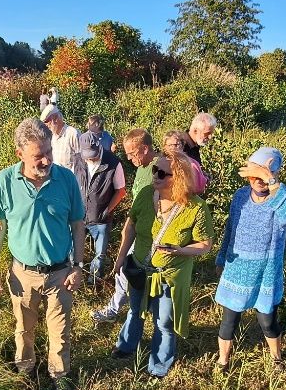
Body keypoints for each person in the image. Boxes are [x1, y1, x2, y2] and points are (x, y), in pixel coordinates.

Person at [0, 118, 86, 390]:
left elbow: (78, 224)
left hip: (60, 272)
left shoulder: (65, 179)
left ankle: (60, 377)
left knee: (60, 332)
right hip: (22, 274)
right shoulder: (5, 181)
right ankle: (26, 370)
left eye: (48, 152)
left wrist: (78, 266)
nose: (45, 160)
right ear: (19, 154)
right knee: (24, 328)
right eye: (37, 156)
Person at [111, 151, 214, 377]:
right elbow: (130, 226)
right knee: (135, 311)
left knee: (164, 322)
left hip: (169, 275)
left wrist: (181, 250)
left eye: (162, 173)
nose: (154, 175)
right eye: (154, 170)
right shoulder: (147, 194)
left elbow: (206, 244)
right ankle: (126, 346)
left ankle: (159, 364)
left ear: (178, 178)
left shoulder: (195, 208)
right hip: (139, 268)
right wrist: (120, 257)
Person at [214, 147, 286, 370]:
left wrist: (269, 179)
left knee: (267, 321)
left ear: (276, 174)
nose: (258, 180)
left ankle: (277, 360)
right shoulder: (240, 195)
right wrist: (221, 257)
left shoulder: (284, 196)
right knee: (229, 321)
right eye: (254, 175)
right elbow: (230, 228)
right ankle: (223, 361)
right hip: (237, 268)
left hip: (266, 271)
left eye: (263, 175)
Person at [91, 128, 160, 323]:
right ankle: (132, 308)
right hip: (136, 228)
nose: (129, 158)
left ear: (145, 149)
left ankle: (118, 310)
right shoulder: (142, 167)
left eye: (132, 153)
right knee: (125, 271)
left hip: (148, 233)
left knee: (124, 270)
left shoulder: (158, 168)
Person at [73, 132, 127, 280]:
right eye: (87, 154)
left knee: (99, 255)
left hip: (101, 218)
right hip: (79, 216)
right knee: (74, 250)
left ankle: (93, 282)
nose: (90, 158)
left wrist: (107, 210)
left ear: (99, 145)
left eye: (92, 154)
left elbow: (121, 191)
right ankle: (75, 280)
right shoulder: (77, 160)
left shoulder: (113, 163)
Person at [40, 104, 83, 175]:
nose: (46, 125)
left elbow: (82, 161)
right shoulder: (50, 137)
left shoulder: (73, 134)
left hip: (70, 180)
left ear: (56, 118)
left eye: (47, 121)